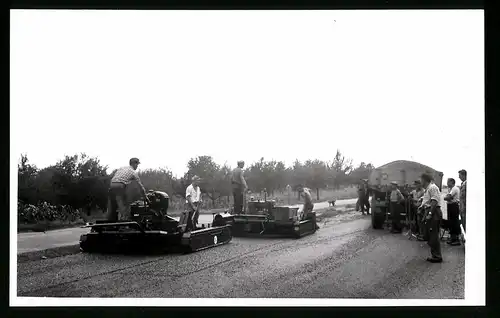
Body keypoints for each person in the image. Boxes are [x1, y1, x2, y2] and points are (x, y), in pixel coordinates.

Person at [418, 173, 443, 263]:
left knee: (433, 234)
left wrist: (429, 213)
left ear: (424, 180)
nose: (420, 182)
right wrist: (421, 206)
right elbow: (428, 201)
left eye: (421, 180)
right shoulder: (427, 189)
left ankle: (437, 256)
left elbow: (434, 202)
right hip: (429, 211)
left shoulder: (432, 187)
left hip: (434, 212)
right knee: (429, 233)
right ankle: (435, 254)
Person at [444, 178, 461, 245]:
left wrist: (447, 197)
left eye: (448, 182)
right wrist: (447, 197)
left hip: (454, 206)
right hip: (450, 206)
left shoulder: (454, 188)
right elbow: (447, 197)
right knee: (451, 222)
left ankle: (456, 239)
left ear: (451, 182)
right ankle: (453, 238)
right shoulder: (450, 189)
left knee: (454, 222)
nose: (447, 183)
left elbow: (447, 198)